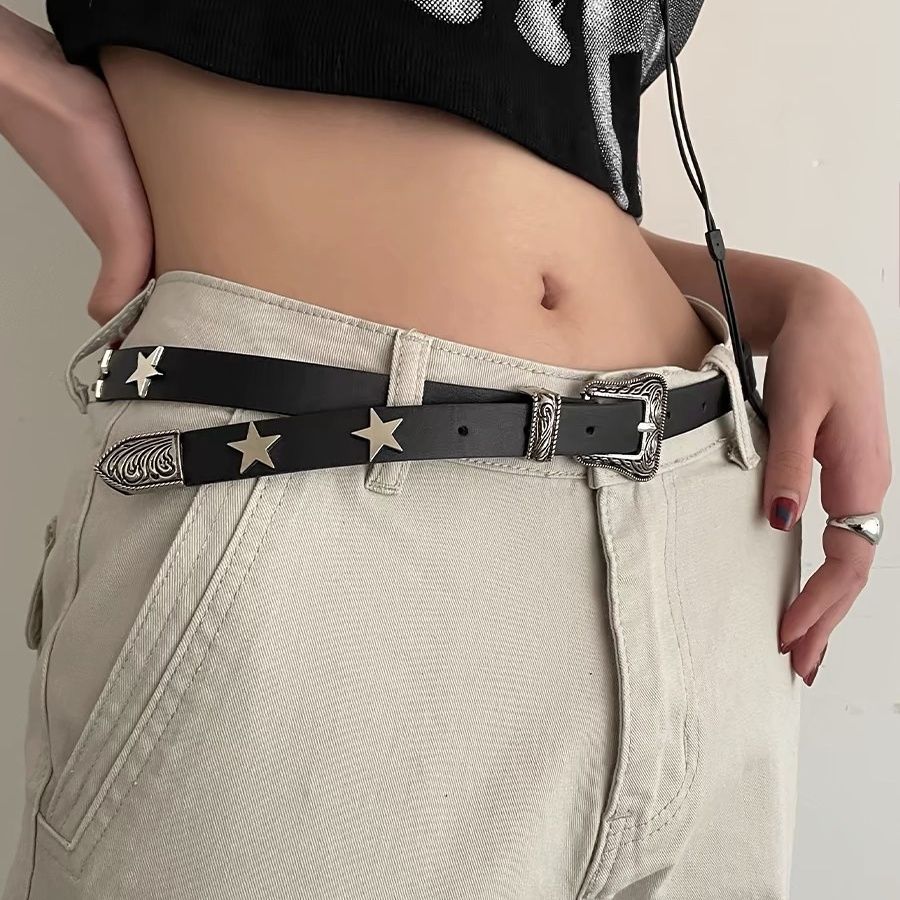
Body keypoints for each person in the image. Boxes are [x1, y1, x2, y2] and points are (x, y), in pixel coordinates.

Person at [0, 2, 890, 898]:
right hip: (317, 484)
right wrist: (37, 89)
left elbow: (525, 176)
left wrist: (799, 301)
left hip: (704, 531)